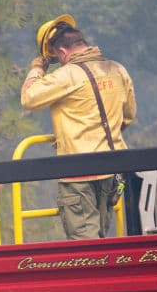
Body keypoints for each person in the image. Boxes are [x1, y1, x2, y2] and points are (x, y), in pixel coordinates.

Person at [21, 14, 136, 240]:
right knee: (102, 236)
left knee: (86, 244)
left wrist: (37, 69)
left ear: (62, 53)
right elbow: (128, 117)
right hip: (112, 169)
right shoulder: (117, 69)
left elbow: (29, 98)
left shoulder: (67, 75)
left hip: (78, 174)